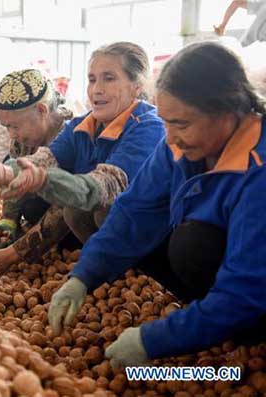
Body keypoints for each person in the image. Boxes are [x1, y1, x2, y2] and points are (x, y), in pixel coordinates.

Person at [48, 41, 266, 369]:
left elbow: (248, 283)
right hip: (234, 279)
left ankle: (248, 332)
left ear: (227, 111)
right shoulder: (178, 146)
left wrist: (154, 340)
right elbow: (134, 209)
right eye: (165, 121)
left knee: (193, 244)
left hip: (254, 282)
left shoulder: (259, 170)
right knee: (156, 233)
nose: (170, 136)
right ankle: (208, 318)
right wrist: (83, 276)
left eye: (181, 124)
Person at [0, 42, 165, 272]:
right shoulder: (83, 125)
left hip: (153, 230)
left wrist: (16, 251)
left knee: (98, 208)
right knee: (74, 209)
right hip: (98, 225)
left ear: (137, 86)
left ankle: (138, 269)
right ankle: (105, 264)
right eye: (92, 79)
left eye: (109, 78)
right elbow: (44, 159)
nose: (96, 89)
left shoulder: (147, 127)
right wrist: (3, 172)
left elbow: (107, 186)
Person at [0, 69, 73, 261]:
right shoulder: (21, 141)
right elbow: (15, 179)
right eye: (6, 126)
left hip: (74, 222)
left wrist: (14, 253)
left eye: (15, 126)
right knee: (11, 165)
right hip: (42, 210)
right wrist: (9, 220)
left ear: (42, 111)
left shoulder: (72, 139)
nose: (11, 134)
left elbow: (64, 209)